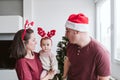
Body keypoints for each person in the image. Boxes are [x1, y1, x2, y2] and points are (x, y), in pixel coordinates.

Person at [62, 13, 111, 80]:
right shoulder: (70, 45)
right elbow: (68, 61)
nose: (65, 35)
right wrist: (64, 76)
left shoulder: (101, 52)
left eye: (67, 31)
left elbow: (104, 78)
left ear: (76, 31)